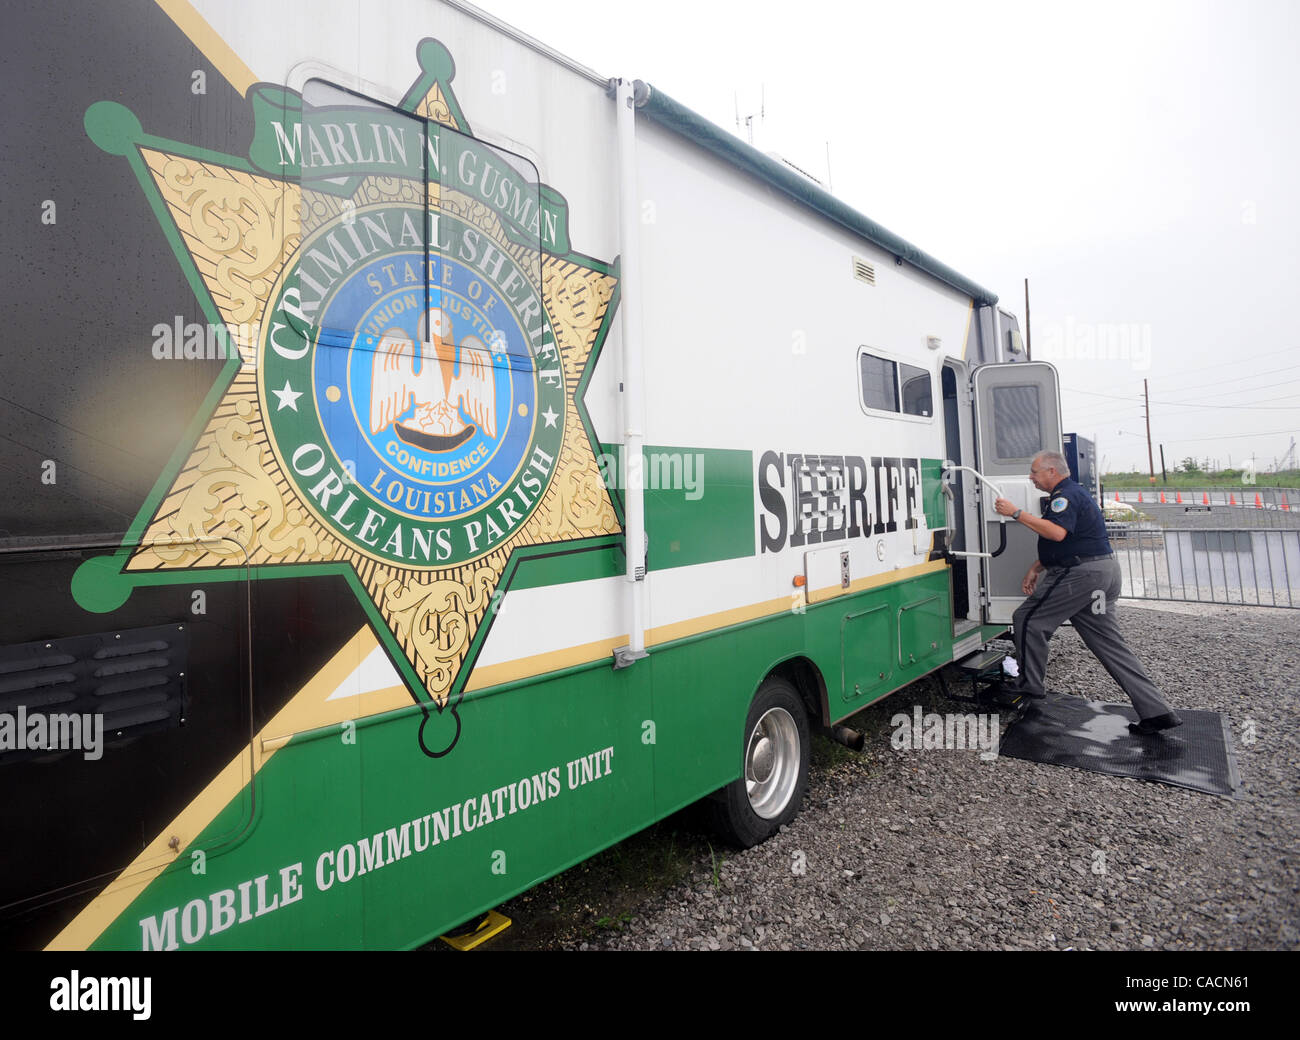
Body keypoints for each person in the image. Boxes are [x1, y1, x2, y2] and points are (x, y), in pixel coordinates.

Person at [992, 450, 1182, 735]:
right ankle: (1157, 711)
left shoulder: (1063, 496)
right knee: (1110, 645)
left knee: (1028, 620)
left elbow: (1056, 534)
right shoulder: (1075, 494)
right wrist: (1037, 566)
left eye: (1034, 472)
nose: (1030, 478)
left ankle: (1029, 685)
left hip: (1082, 576)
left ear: (1052, 472)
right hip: (1102, 574)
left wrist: (1015, 513)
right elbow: (1072, 541)